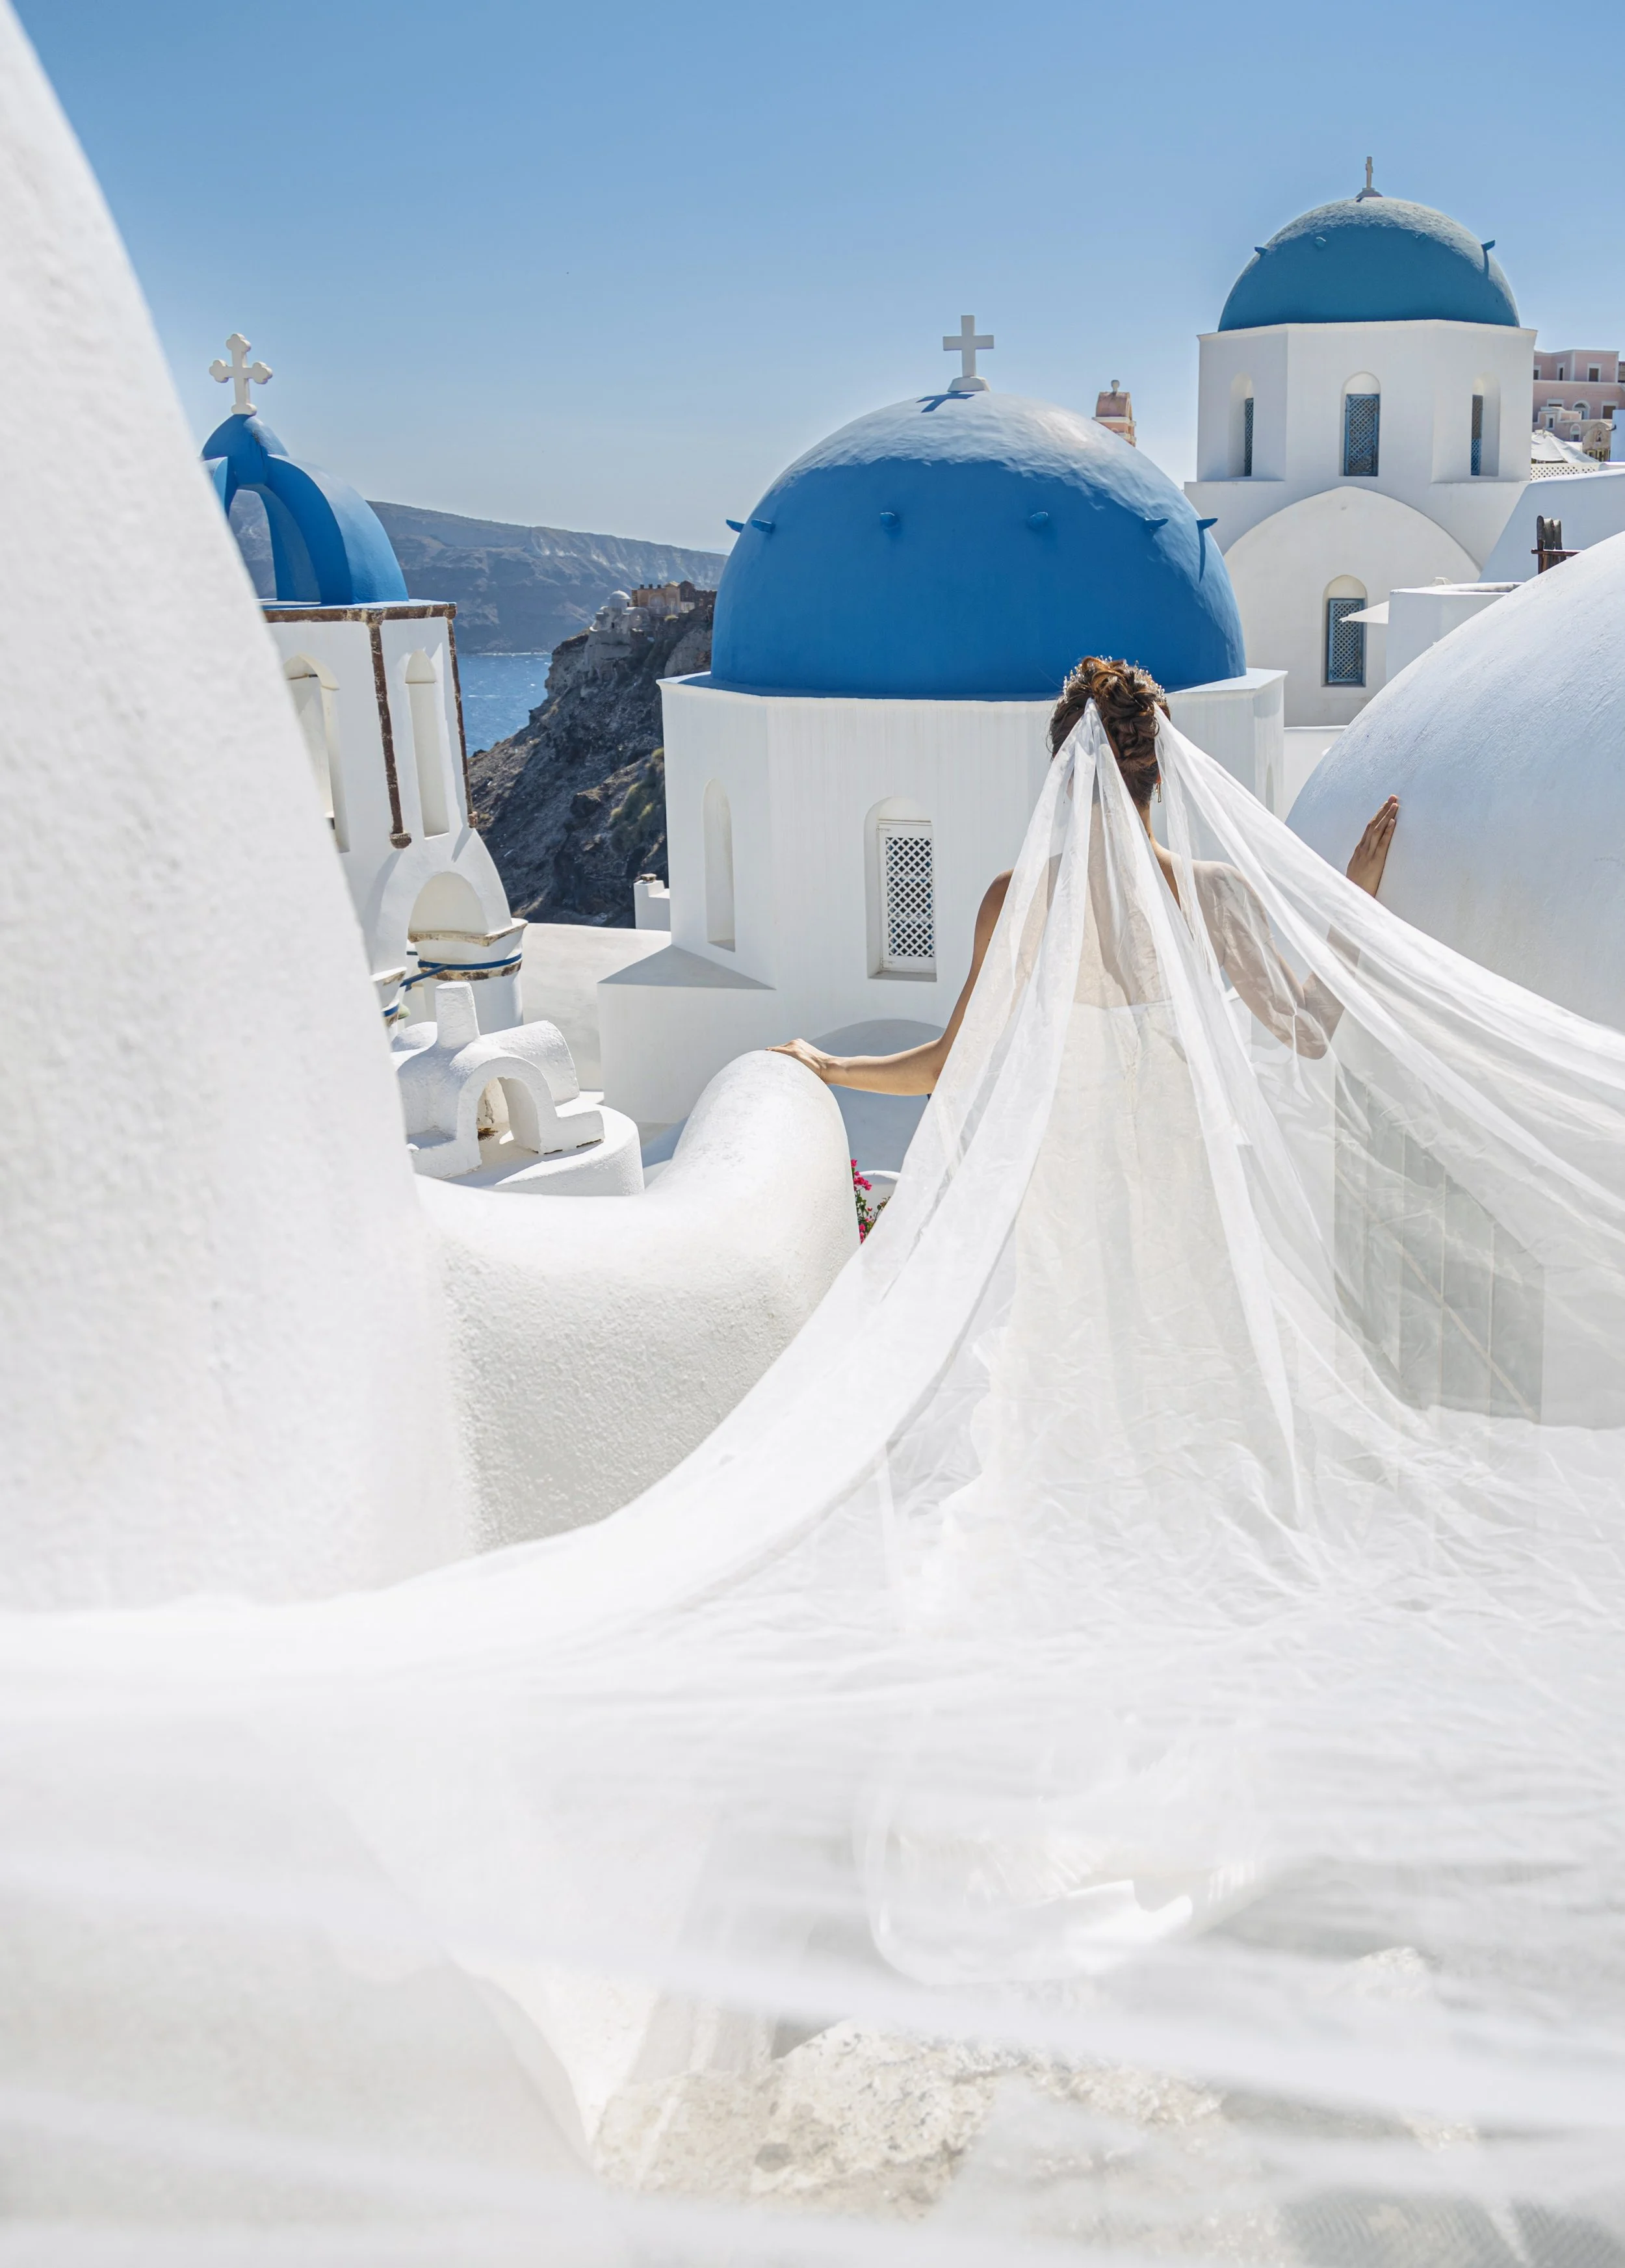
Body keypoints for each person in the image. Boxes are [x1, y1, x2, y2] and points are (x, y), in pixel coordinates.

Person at [772, 655, 1398, 1091]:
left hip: (1065, 1205)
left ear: (1067, 776)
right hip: (1184, 1184)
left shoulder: (1014, 900)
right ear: (1163, 771)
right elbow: (1309, 1033)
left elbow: (945, 1067)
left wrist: (829, 1066)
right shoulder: (1218, 893)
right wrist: (1354, 903)